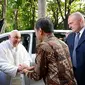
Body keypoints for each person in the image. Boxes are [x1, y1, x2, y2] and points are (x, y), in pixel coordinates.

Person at [23, 17, 77, 85]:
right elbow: (56, 65)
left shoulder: (43, 46)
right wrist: (31, 68)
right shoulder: (63, 44)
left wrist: (24, 71)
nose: (36, 35)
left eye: (35, 32)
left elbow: (37, 76)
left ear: (40, 31)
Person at [66, 12, 85, 85]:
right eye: (68, 24)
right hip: (73, 74)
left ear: (80, 21)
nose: (69, 26)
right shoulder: (70, 37)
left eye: (71, 23)